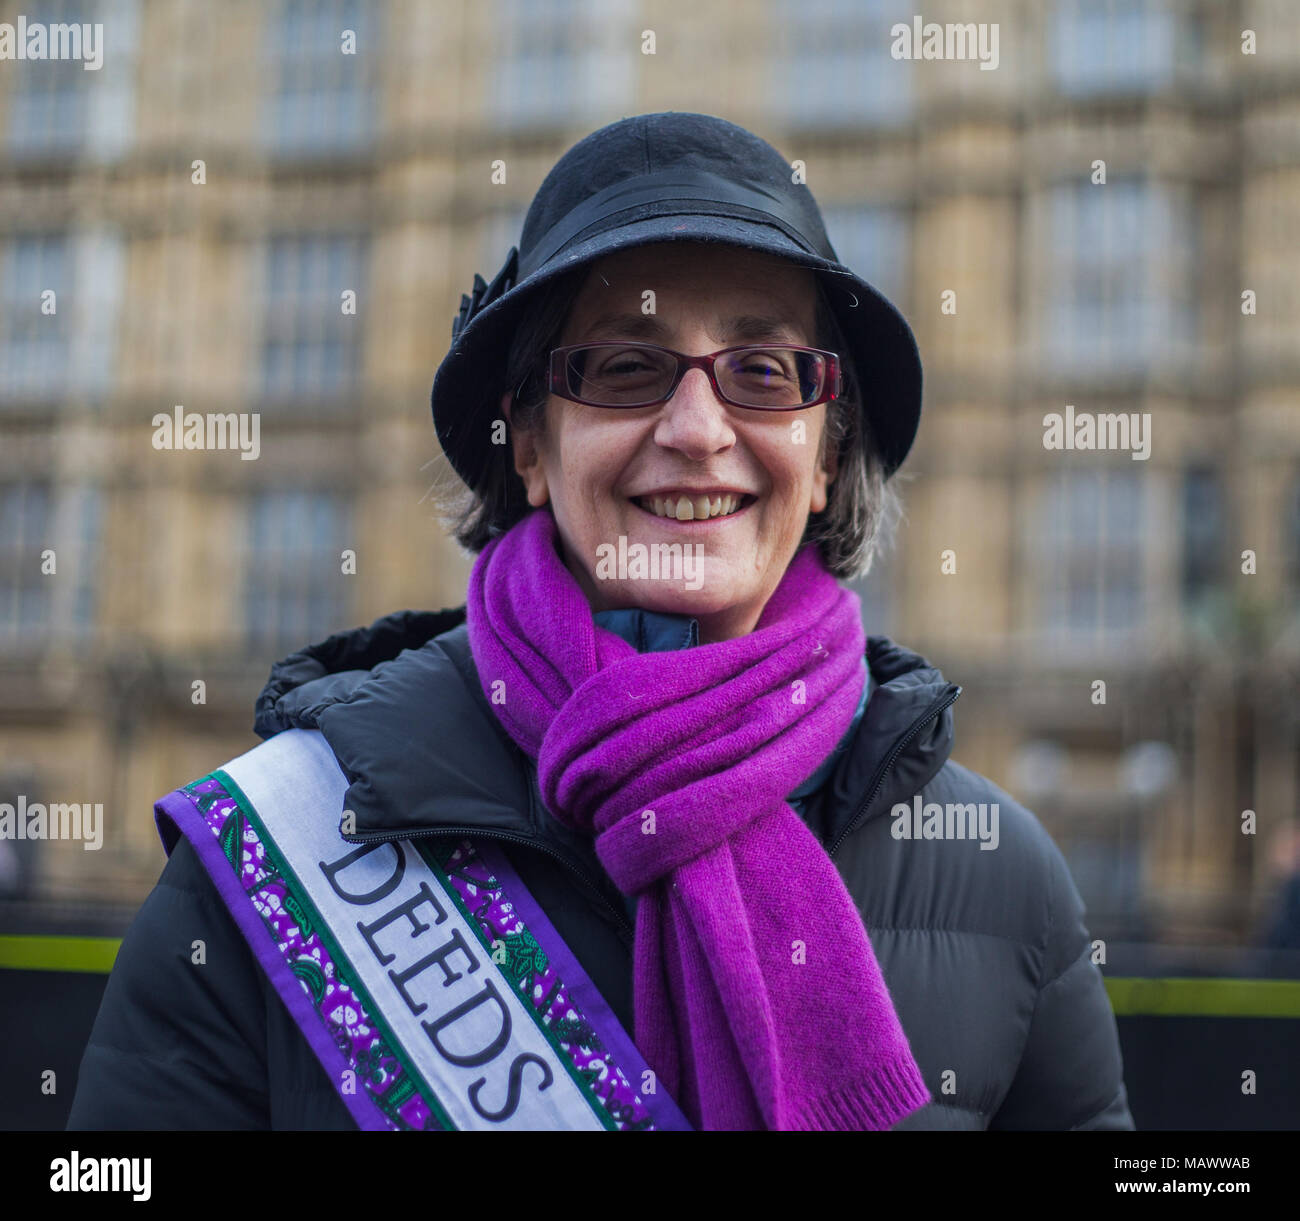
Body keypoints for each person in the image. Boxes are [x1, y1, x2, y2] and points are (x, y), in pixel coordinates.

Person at [68, 111, 1133, 1131]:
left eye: (762, 374)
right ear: (527, 445)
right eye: (627, 367)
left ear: (826, 456)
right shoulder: (278, 848)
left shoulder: (1003, 877)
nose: (697, 428)